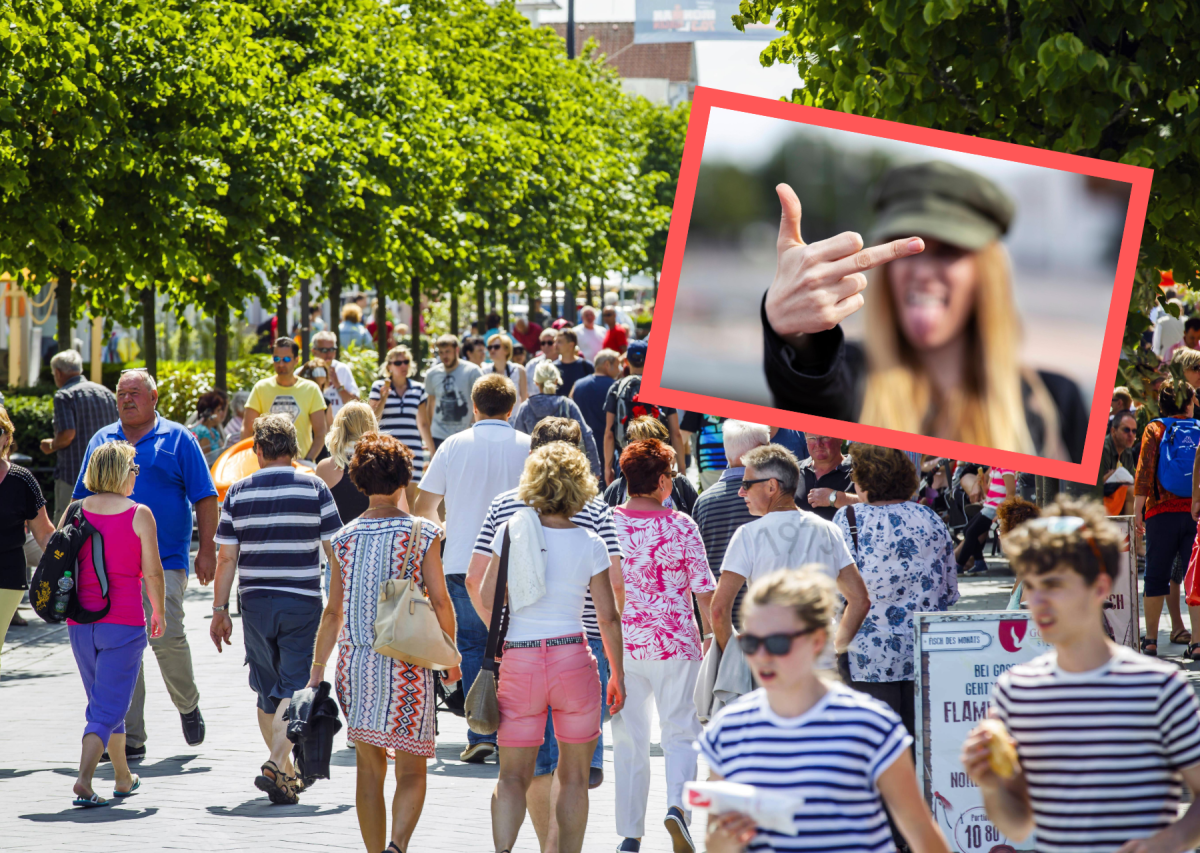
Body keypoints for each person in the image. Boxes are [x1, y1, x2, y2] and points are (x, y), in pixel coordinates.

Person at [761, 161, 1089, 462]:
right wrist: (793, 334)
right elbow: (810, 394)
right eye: (908, 249)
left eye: (948, 251)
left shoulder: (1055, 401)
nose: (922, 271)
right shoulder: (850, 375)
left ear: (986, 274)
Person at [962, 497, 1200, 853]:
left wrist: (1172, 840)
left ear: (1099, 587)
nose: (1037, 601)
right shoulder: (1016, 690)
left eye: (1055, 585)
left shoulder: (1158, 688)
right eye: (1031, 584)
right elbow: (1017, 821)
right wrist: (991, 784)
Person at [702, 569, 951, 853]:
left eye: (777, 643)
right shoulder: (729, 729)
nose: (762, 656)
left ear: (817, 641)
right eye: (750, 642)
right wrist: (722, 842)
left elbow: (922, 833)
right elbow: (715, 840)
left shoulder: (869, 725)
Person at [468, 417, 621, 832]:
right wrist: (618, 674)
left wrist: (508, 631)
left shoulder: (508, 528)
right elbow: (608, 615)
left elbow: (483, 595)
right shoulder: (592, 540)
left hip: (520, 660)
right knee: (574, 777)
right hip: (573, 655)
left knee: (512, 777)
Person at [308, 433, 459, 853]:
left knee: (368, 770)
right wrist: (451, 658)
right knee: (411, 769)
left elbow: (333, 612)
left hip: (355, 667)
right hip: (407, 663)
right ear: (403, 481)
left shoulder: (343, 539)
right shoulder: (422, 532)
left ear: (359, 482)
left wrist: (318, 670)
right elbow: (441, 601)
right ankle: (398, 846)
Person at [73, 368, 217, 760]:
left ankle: (187, 705)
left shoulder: (179, 439)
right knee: (121, 647)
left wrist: (207, 550)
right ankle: (130, 737)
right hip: (108, 567)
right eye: (121, 393)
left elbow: (205, 496)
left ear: (154, 397)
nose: (127, 399)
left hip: (166, 559)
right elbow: (80, 502)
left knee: (165, 635)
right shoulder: (103, 440)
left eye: (135, 392)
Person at [210, 414, 342, 804]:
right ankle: (275, 765)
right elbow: (334, 553)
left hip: (254, 603)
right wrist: (338, 600)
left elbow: (225, 558)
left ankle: (284, 775)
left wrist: (219, 609)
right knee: (296, 686)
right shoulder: (315, 487)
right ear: (295, 448)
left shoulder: (237, 491)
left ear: (257, 450)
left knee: (268, 693)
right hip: (301, 600)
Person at [414, 374, 530, 763]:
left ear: (474, 407)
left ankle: (480, 729)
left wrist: (448, 528)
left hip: (462, 560)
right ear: (512, 409)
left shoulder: (452, 445)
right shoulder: (528, 447)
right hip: (518, 562)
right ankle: (512, 730)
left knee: (470, 648)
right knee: (513, 648)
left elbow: (423, 508)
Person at [611, 439, 716, 853]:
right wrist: (712, 636)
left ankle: (630, 834)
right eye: (671, 474)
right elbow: (704, 590)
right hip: (676, 641)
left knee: (629, 738)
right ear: (660, 482)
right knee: (680, 732)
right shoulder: (682, 525)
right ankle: (677, 808)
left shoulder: (607, 523)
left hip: (626, 643)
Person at [710, 444, 870, 677]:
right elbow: (860, 600)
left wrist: (736, 662)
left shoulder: (748, 535)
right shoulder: (829, 529)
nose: (740, 492)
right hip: (821, 666)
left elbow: (719, 610)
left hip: (770, 668)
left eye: (746, 485)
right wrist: (835, 647)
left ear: (771, 486)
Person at [832, 445, 958, 737]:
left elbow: (836, 592)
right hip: (925, 654)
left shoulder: (848, 519)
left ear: (864, 477)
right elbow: (949, 591)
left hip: (867, 656)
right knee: (924, 751)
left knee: (877, 751)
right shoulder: (930, 518)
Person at [67, 441, 167, 808]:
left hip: (79, 622)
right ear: (121, 472)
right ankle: (84, 779)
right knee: (106, 707)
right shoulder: (139, 514)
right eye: (134, 469)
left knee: (106, 699)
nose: (136, 475)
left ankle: (123, 778)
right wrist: (158, 611)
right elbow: (153, 573)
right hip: (122, 622)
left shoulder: (76, 510)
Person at [1134, 378, 1200, 658]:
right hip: (1195, 513)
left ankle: (1150, 640)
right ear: (1186, 403)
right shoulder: (1199, 430)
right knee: (1195, 578)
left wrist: (1138, 510)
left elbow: (1145, 470)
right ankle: (1197, 643)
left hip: (1161, 512)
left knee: (1156, 575)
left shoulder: (1155, 428)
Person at [0, 408, 55, 664]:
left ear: (6, 437)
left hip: (6, 576)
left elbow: (45, 534)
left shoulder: (22, 480)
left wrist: (69, 571)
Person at [41, 349, 118, 521]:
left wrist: (51, 445)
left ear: (59, 373)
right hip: (107, 475)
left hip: (73, 476)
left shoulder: (64, 395)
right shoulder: (107, 393)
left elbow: (68, 435)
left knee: (67, 527)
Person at [692, 421, 769, 592]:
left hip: (719, 610)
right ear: (761, 450)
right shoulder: (770, 496)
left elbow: (698, 568)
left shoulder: (703, 502)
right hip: (762, 609)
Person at [603, 340, 687, 485]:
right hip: (658, 459)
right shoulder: (662, 388)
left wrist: (607, 467)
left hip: (626, 459)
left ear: (627, 361)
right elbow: (676, 432)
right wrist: (682, 468)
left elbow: (609, 434)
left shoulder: (617, 388)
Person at [243, 337, 329, 464]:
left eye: (287, 359)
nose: (281, 364)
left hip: (301, 464)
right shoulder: (261, 388)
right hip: (267, 464)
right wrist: (253, 460)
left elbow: (321, 432)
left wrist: (308, 459)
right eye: (276, 359)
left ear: (296, 360)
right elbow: (247, 430)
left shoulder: (311, 389)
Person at [511, 362, 602, 478]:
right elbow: (586, 435)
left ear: (536, 383)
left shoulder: (526, 407)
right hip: (567, 472)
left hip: (536, 472)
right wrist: (595, 470)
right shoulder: (567, 404)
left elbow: (518, 440)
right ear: (556, 381)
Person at [369, 345, 433, 508]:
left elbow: (423, 424)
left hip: (412, 450)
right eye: (398, 363)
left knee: (410, 499)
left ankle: (407, 534)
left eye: (406, 362)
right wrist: (383, 398)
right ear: (389, 366)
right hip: (385, 450)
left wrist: (433, 452)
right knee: (386, 498)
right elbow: (373, 419)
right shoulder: (378, 387)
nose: (403, 366)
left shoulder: (418, 389)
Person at [603, 416, 698, 515]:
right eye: (635, 444)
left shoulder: (680, 485)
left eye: (649, 447)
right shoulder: (616, 489)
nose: (642, 453)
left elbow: (697, 523)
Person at [315, 401, 380, 538]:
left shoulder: (325, 467)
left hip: (337, 550)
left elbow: (317, 518)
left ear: (339, 427)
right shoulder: (383, 466)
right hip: (376, 547)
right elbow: (401, 512)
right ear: (372, 426)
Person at [424, 334, 483, 454]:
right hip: (439, 436)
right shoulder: (431, 374)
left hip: (465, 434)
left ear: (457, 350)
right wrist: (429, 436)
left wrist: (473, 426)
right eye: (441, 352)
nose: (444, 356)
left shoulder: (472, 371)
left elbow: (480, 402)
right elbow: (431, 404)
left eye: (447, 351)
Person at [954, 465, 1016, 576]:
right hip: (988, 506)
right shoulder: (994, 468)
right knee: (968, 530)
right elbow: (989, 493)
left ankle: (959, 564)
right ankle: (979, 561)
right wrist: (983, 484)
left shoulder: (1007, 468)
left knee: (971, 532)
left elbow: (1010, 492)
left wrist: (1004, 513)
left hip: (995, 509)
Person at [797, 433, 860, 520]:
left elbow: (879, 506)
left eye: (825, 437)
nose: (818, 444)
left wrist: (835, 498)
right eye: (812, 438)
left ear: (840, 439)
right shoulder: (792, 470)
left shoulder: (861, 470)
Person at [570, 348, 620, 454]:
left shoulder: (577, 384)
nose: (619, 369)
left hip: (582, 446)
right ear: (607, 364)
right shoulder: (616, 386)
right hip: (608, 448)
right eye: (617, 365)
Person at [311, 330, 361, 420]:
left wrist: (338, 385)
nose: (329, 354)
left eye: (332, 349)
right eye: (324, 350)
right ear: (314, 351)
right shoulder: (305, 371)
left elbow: (356, 404)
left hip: (339, 428)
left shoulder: (342, 369)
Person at [680, 412, 727, 492]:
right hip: (738, 458)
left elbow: (686, 431)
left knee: (713, 498)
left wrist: (670, 455)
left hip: (710, 460)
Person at [482, 333, 529, 404]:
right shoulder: (484, 371)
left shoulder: (519, 370)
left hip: (515, 415)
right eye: (490, 347)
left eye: (496, 347)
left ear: (507, 350)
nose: (492, 350)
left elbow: (524, 401)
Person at [189, 390, 229, 466]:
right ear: (209, 412)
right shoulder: (203, 431)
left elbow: (224, 450)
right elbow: (206, 460)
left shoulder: (213, 431)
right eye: (218, 410)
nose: (221, 413)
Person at [553, 328, 595, 397]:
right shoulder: (552, 367)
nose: (555, 345)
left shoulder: (586, 366)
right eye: (555, 341)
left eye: (559, 342)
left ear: (571, 345)